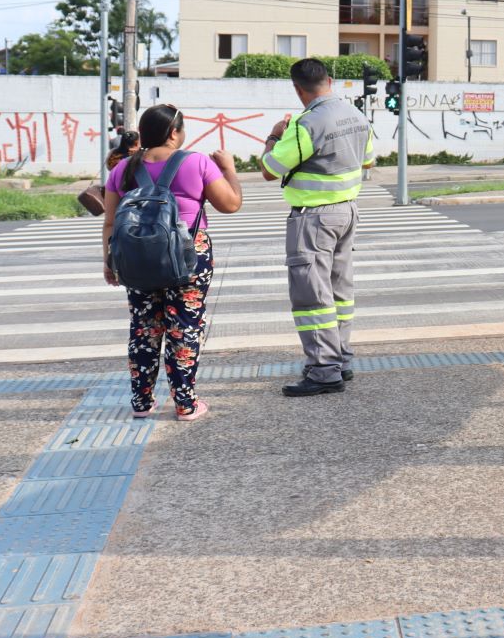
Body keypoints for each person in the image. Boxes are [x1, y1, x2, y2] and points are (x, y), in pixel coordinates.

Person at [102, 105, 243, 421]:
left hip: (136, 258)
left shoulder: (122, 169)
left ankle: (141, 402)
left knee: (143, 328)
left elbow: (110, 222)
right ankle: (185, 403)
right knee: (184, 327)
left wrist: (109, 262)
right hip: (187, 254)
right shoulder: (197, 162)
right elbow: (231, 204)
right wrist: (229, 169)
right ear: (174, 132)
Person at [261, 58, 373, 397]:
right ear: (330, 80)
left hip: (314, 217)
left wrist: (273, 135)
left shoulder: (304, 124)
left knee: (311, 294)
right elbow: (366, 161)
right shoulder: (357, 115)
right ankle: (341, 359)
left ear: (298, 89)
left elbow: (270, 168)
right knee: (339, 290)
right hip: (347, 212)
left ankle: (324, 370)